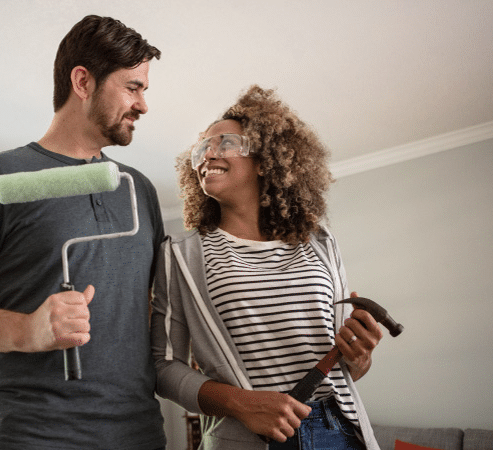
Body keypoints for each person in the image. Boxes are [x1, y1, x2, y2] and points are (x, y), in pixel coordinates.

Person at [0, 15, 166, 450]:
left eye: (143, 89)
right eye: (133, 87)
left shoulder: (138, 190)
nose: (143, 104)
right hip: (28, 435)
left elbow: (153, 310)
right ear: (83, 81)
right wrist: (27, 330)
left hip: (137, 433)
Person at [150, 85, 383, 450]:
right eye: (200, 148)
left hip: (338, 432)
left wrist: (361, 356)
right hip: (247, 439)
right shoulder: (181, 254)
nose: (206, 154)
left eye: (224, 143)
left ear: (264, 159)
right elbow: (163, 368)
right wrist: (241, 404)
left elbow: (346, 369)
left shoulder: (320, 243)